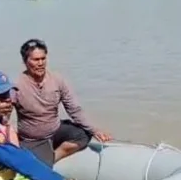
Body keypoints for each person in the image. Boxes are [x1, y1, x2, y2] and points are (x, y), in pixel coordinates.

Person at [14, 39, 113, 167]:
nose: (40, 63)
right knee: (33, 167)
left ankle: (53, 158)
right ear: (25, 61)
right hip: (33, 139)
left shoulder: (57, 80)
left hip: (55, 130)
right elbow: (2, 114)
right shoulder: (16, 85)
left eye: (43, 59)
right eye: (36, 60)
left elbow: (74, 109)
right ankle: (42, 161)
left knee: (83, 135)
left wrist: (95, 130)